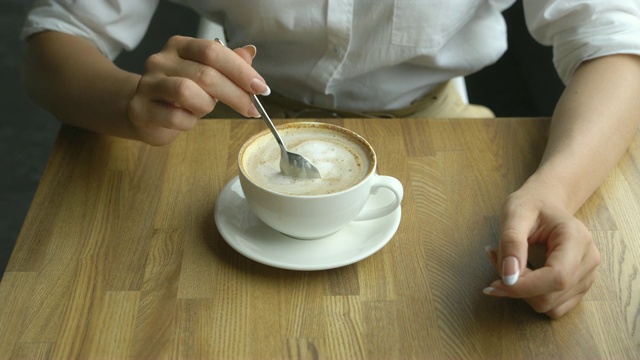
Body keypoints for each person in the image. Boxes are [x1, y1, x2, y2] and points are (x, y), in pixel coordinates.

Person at [20, 0, 640, 319]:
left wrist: (556, 191)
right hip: (237, 117)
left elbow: (616, 40)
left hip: (440, 122)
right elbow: (56, 36)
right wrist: (129, 101)